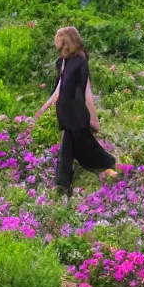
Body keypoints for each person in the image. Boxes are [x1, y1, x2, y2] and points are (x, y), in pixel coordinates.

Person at [34, 26, 116, 195]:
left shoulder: (80, 61)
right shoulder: (64, 61)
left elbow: (87, 92)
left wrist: (93, 117)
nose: (60, 50)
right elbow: (59, 88)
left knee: (75, 146)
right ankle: (66, 183)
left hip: (76, 111)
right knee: (76, 146)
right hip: (66, 110)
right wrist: (42, 109)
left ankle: (63, 184)